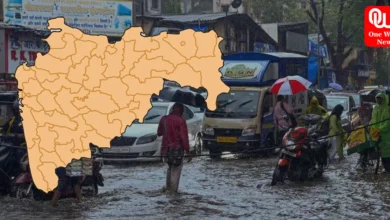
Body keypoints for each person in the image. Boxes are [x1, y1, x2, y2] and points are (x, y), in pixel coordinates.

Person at [157, 103, 192, 193]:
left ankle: (167, 189)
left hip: (165, 150)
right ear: (181, 111)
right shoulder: (181, 121)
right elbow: (184, 138)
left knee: (169, 168)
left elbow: (159, 133)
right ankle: (173, 193)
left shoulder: (163, 119)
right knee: (175, 171)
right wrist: (188, 151)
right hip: (177, 150)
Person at [370, 93, 390, 172]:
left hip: (386, 135)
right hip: (376, 133)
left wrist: (380, 129)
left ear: (383, 99)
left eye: (380, 98)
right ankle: (386, 170)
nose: (378, 100)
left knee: (387, 154)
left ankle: (388, 170)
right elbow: (373, 119)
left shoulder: (387, 109)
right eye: (377, 98)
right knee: (381, 153)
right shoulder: (376, 108)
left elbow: (387, 123)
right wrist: (370, 126)